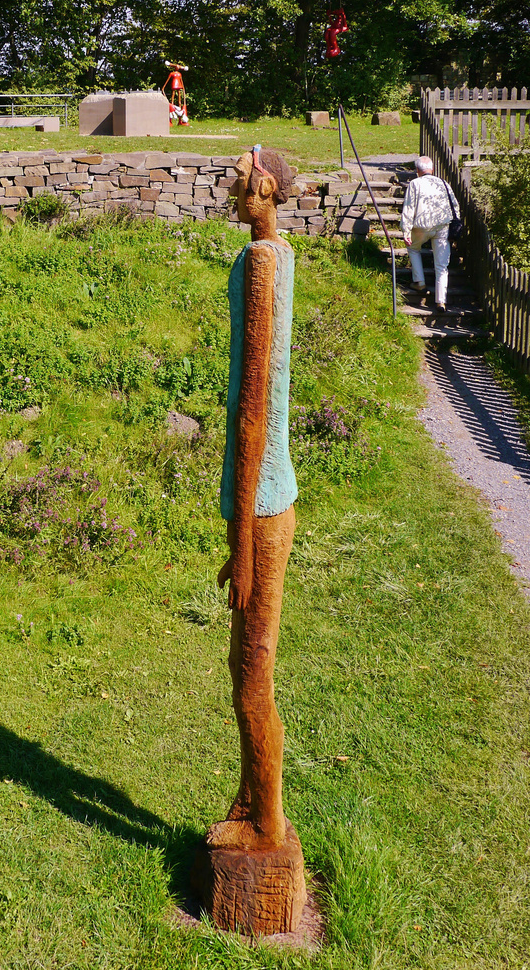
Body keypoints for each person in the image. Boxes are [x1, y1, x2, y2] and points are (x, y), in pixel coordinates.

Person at [214, 145, 299, 853]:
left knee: (252, 681)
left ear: (264, 188)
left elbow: (253, 413)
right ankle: (249, 797)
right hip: (258, 506)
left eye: (237, 179)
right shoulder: (271, 255)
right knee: (240, 665)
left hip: (263, 505)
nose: (229, 187)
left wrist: (243, 545)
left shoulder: (265, 265)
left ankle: (268, 825)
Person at [401, 155, 459, 311]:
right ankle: (441, 300)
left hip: (421, 227)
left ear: (417, 170)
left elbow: (409, 208)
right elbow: (455, 205)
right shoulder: (443, 183)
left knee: (413, 248)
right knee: (441, 265)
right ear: (432, 169)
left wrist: (406, 230)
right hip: (442, 226)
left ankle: (419, 282)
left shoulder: (415, 184)